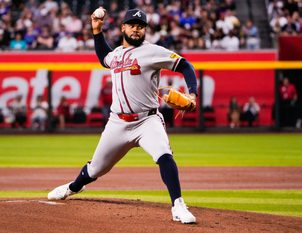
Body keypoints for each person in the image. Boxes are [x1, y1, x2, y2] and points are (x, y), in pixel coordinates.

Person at [48, 8, 198, 224]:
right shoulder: (116, 54)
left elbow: (185, 65)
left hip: (147, 120)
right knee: (96, 169)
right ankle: (72, 187)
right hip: (117, 122)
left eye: (140, 26)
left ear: (145, 30)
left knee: (164, 154)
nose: (136, 28)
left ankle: (178, 205)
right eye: (132, 24)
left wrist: (192, 93)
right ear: (123, 28)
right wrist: (97, 32)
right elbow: (103, 58)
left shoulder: (153, 51)